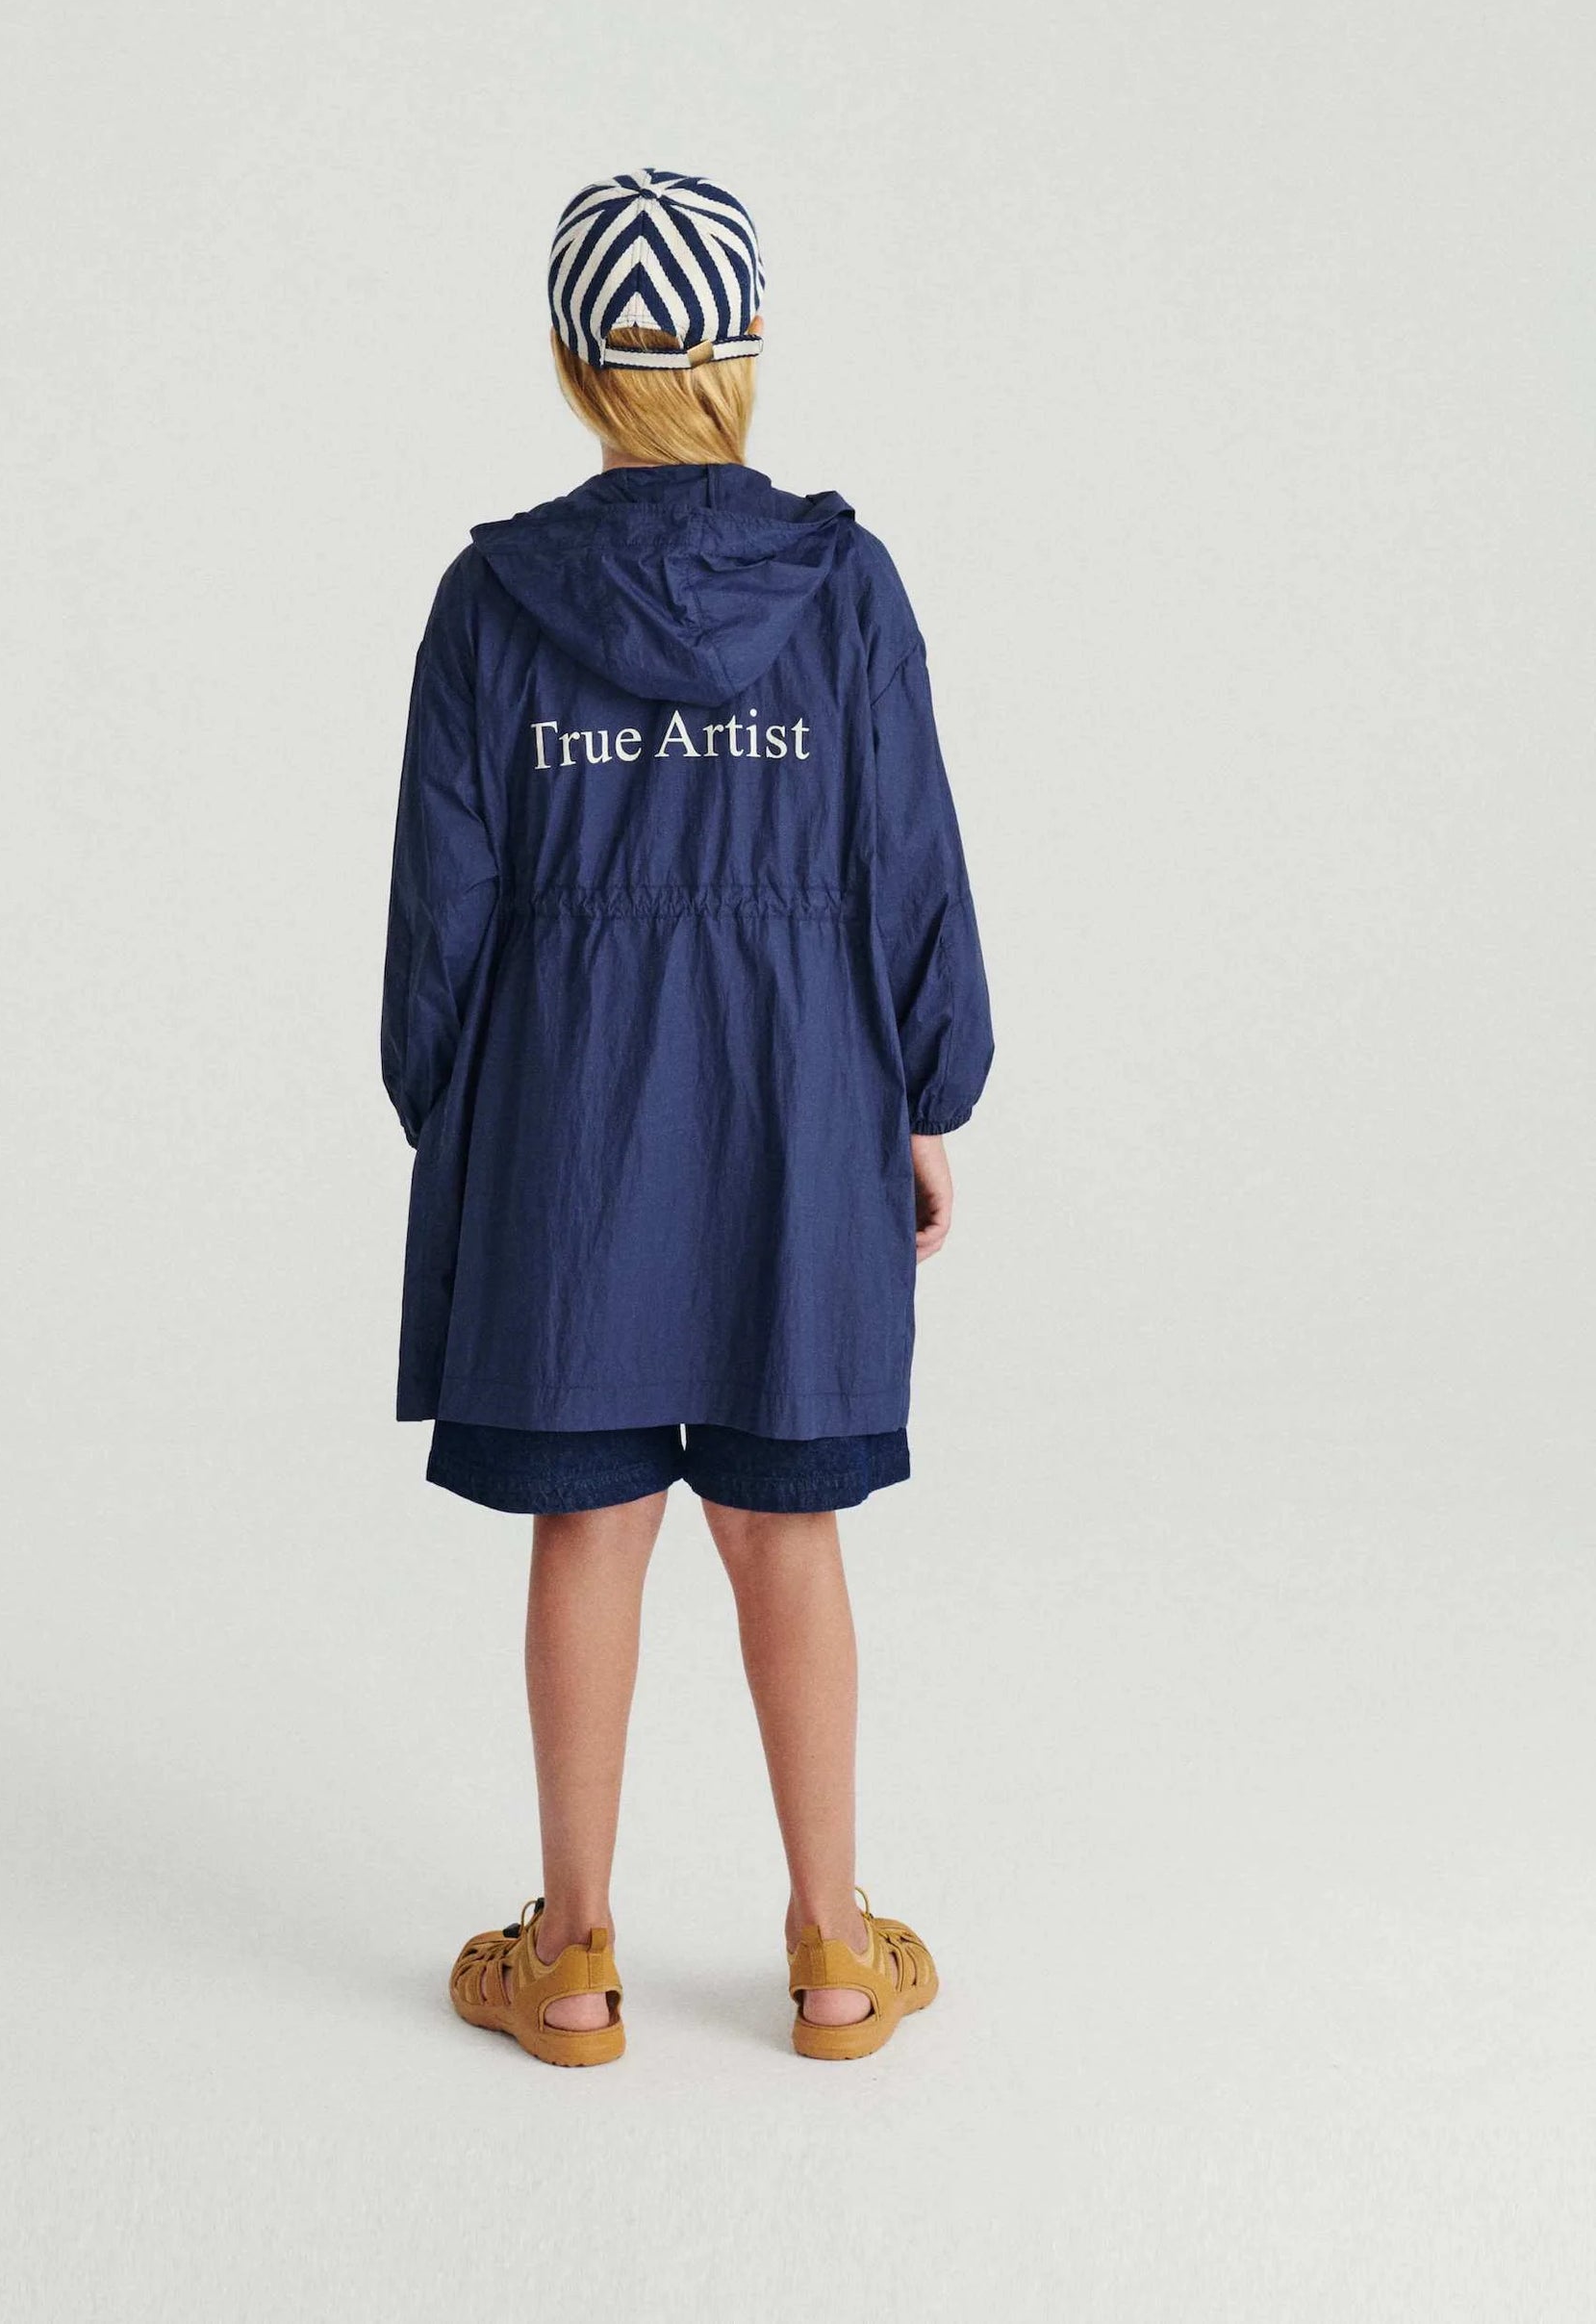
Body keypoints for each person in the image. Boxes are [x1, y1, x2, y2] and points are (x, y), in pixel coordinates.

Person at [382, 168, 994, 2066]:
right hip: (797, 1104)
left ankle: (570, 1959)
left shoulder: (490, 602)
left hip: (566, 1122)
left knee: (588, 1528)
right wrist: (927, 1090)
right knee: (785, 1532)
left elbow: (440, 909)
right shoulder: (848, 591)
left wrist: (453, 1118)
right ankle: (832, 1952)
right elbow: (908, 866)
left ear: (580, 363)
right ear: (746, 354)